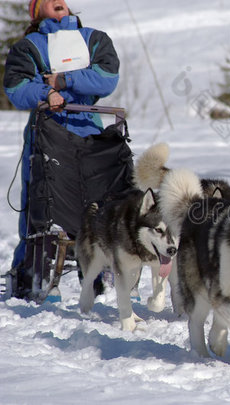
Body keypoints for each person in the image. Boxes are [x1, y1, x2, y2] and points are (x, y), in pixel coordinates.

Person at [3, 0, 120, 299]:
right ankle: (33, 277)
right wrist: (47, 92)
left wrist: (64, 79)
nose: (57, 1)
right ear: (36, 12)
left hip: (90, 134)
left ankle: (98, 279)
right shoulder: (29, 46)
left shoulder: (94, 39)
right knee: (43, 206)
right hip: (46, 133)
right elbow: (16, 89)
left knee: (96, 205)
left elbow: (107, 77)